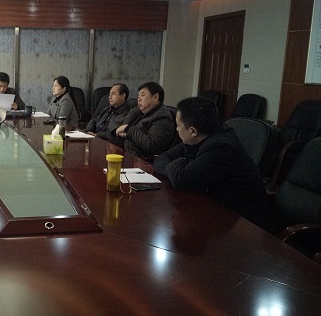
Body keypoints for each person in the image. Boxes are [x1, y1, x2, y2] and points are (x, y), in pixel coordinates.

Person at [153, 96, 275, 232]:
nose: (177, 129)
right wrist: (179, 167)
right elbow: (161, 159)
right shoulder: (200, 137)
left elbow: (181, 180)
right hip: (215, 210)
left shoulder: (222, 147)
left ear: (193, 131)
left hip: (245, 226)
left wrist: (179, 165)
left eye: (178, 125)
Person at [110, 81, 175, 159]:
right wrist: (119, 130)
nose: (139, 99)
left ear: (155, 97)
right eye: (138, 97)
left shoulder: (163, 118)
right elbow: (114, 122)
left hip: (142, 161)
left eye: (143, 95)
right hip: (125, 154)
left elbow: (150, 144)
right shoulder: (137, 111)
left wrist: (127, 129)